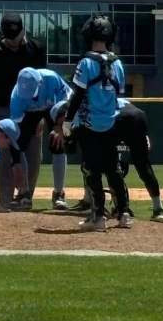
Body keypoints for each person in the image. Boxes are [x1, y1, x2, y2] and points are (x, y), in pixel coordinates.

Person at [54, 15, 129, 232]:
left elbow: (77, 95)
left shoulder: (86, 62)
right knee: (113, 168)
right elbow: (119, 94)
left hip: (90, 123)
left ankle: (97, 217)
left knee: (91, 169)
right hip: (113, 122)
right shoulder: (118, 63)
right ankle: (123, 212)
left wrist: (67, 121)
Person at [0, 13, 46, 207]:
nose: (14, 42)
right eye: (9, 38)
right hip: (4, 110)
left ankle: (26, 197)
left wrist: (42, 116)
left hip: (32, 110)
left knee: (33, 155)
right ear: (2, 34)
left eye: (16, 38)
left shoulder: (37, 49)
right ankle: (6, 201)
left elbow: (42, 84)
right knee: (6, 157)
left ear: (23, 30)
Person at [9, 67, 71, 209]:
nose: (29, 96)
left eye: (31, 92)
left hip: (55, 107)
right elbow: (16, 131)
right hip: (29, 113)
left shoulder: (52, 78)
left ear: (40, 83)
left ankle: (59, 194)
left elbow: (69, 104)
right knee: (18, 146)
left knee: (59, 144)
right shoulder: (16, 98)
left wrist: (60, 128)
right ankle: (24, 193)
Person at [108, 100, 163, 222]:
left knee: (112, 165)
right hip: (139, 117)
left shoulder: (99, 100)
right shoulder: (122, 101)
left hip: (116, 119)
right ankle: (158, 210)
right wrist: (144, 136)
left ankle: (121, 208)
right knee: (143, 165)